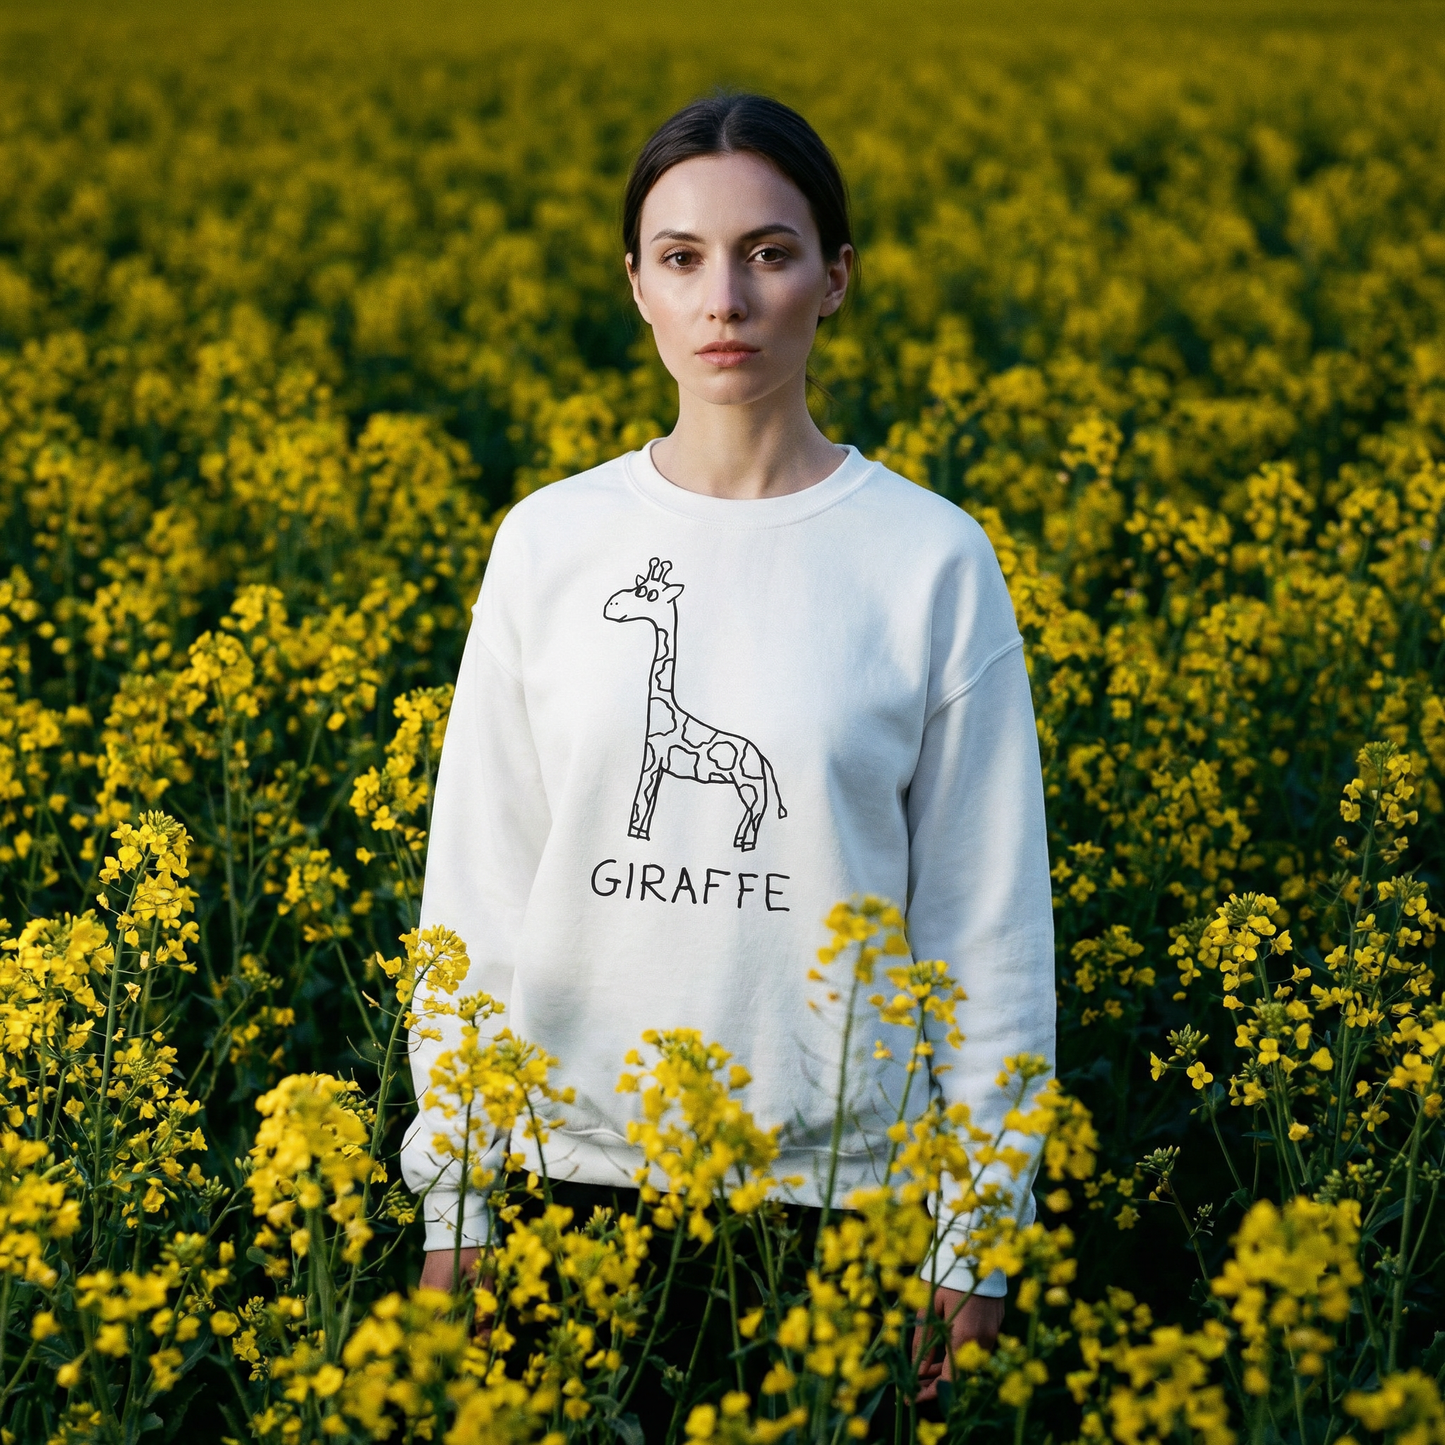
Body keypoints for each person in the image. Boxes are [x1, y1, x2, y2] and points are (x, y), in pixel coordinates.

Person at [405, 92, 1055, 1417]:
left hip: (841, 1199)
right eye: (683, 257)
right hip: (564, 1186)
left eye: (770, 252)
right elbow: (475, 897)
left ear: (834, 283)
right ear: (635, 285)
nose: (727, 300)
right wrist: (455, 1194)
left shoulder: (932, 560)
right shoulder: (549, 544)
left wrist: (979, 1233)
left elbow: (985, 929)